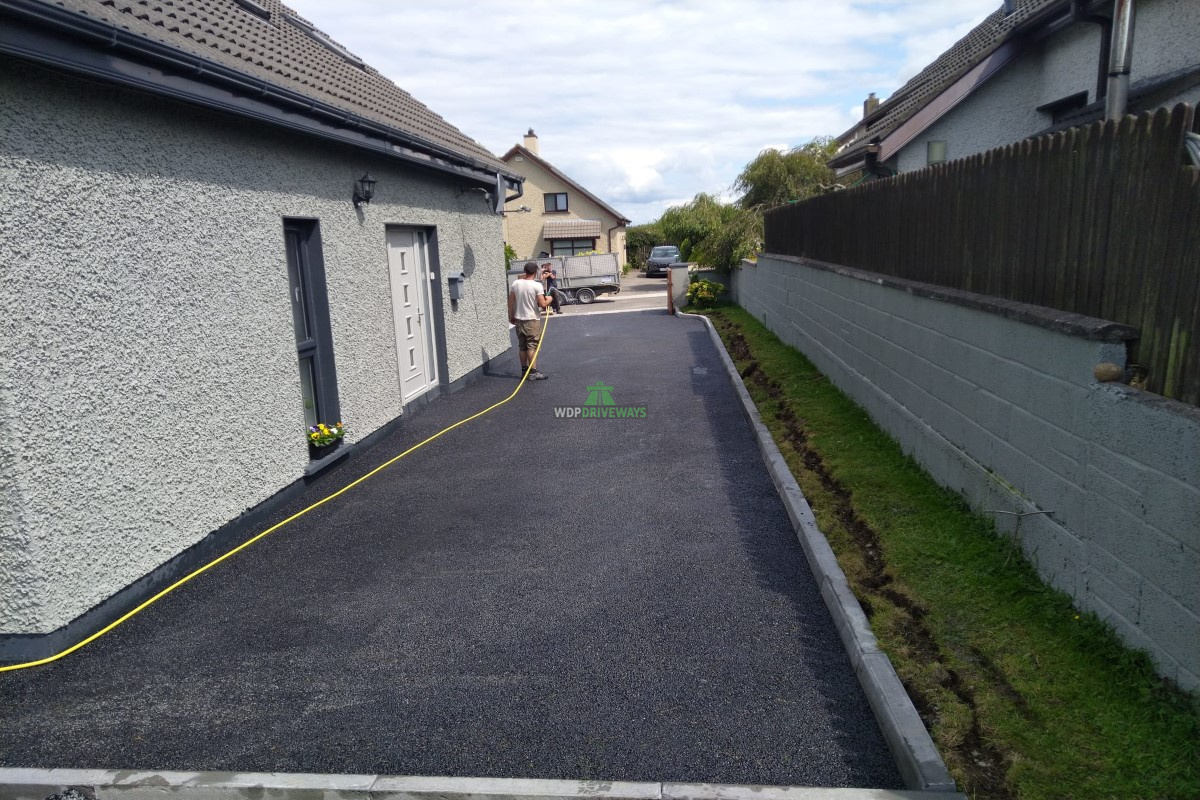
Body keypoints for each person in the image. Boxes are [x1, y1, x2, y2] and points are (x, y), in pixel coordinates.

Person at [508, 261, 551, 380]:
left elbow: (511, 301)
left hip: (519, 319)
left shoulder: (516, 283)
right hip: (531, 320)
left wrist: (510, 315)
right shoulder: (537, 285)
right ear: (536, 272)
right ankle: (533, 372)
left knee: (522, 347)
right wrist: (550, 299)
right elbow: (543, 304)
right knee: (532, 346)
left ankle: (524, 371)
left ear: (525, 271)